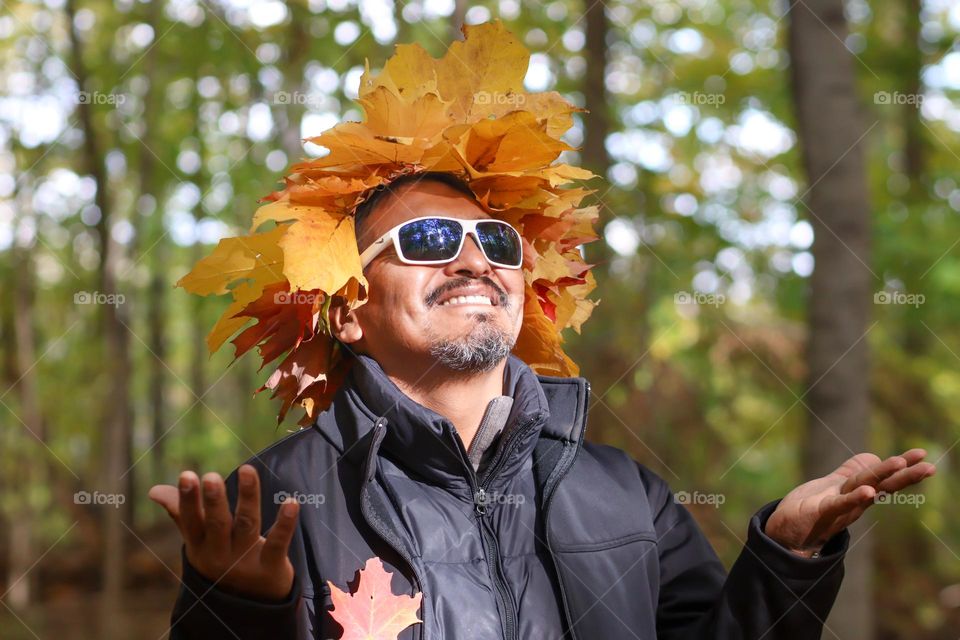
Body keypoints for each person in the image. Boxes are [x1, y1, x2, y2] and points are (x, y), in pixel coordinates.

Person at [149, 22, 936, 640]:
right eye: (427, 240)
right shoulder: (275, 502)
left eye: (497, 243)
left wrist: (785, 559)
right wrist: (239, 609)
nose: (473, 260)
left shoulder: (626, 494)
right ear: (347, 310)